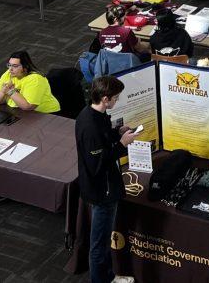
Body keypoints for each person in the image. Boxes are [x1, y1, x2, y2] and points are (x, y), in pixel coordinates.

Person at [76, 75, 137, 283]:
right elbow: (97, 164)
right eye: (116, 97)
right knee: (100, 245)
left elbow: (103, 139)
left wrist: (116, 133)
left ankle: (109, 276)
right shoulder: (90, 126)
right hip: (102, 192)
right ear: (105, 98)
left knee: (103, 241)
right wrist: (122, 145)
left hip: (105, 187)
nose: (117, 101)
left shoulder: (93, 115)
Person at [0, 50, 60, 114]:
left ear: (25, 67)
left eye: (15, 66)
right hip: (20, 111)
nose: (10, 69)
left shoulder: (35, 79)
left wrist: (10, 91)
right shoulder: (8, 74)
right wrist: (3, 91)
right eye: (9, 65)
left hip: (46, 114)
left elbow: (28, 106)